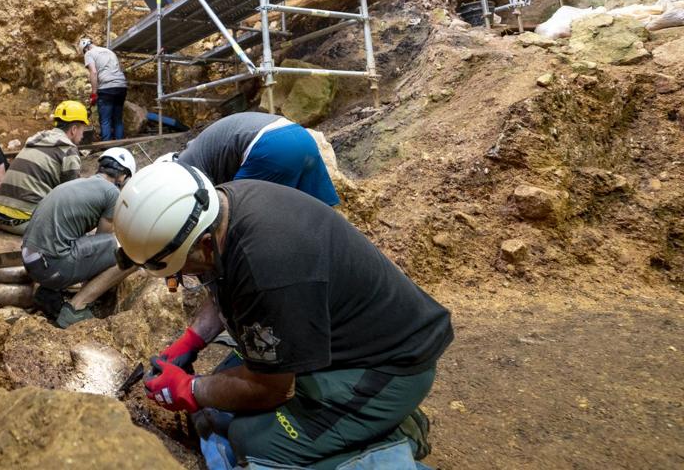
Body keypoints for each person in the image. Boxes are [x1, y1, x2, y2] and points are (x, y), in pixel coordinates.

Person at [113, 161, 454, 468]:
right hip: (336, 339)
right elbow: (222, 286)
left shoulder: (269, 268)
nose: (189, 278)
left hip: (390, 365)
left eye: (185, 270)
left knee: (254, 442)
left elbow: (271, 389)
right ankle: (354, 423)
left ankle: (392, 440)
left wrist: (190, 388)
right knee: (223, 399)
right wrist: (193, 339)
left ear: (203, 244)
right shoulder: (220, 209)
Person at [21, 147, 138, 328]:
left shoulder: (78, 184)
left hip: (32, 262)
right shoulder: (112, 193)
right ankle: (76, 308)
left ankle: (48, 294)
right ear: (123, 176)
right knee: (129, 253)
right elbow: (105, 243)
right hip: (51, 267)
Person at [173, 111, 340, 207]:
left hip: (270, 146)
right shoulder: (197, 150)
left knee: (239, 213)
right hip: (301, 135)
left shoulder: (185, 172)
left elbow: (210, 209)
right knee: (320, 210)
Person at [0, 100, 88, 234]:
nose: (83, 135)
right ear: (74, 129)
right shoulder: (68, 150)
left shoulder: (36, 140)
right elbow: (71, 197)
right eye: (82, 129)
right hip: (24, 223)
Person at [79, 38, 128, 141]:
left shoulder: (89, 53)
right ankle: (119, 144)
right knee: (118, 119)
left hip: (107, 88)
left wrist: (94, 93)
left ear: (85, 49)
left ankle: (106, 147)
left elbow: (93, 72)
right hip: (121, 86)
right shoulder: (109, 51)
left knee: (105, 120)